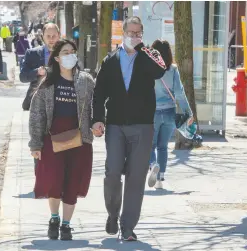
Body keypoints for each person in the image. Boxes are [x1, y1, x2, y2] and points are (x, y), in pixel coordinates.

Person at [92, 16, 166, 241]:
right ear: (122, 33)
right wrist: (97, 119)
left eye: (138, 33)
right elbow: (99, 92)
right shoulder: (111, 59)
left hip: (142, 125)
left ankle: (128, 226)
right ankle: (113, 214)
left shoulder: (149, 56)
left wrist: (143, 48)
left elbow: (161, 70)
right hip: (115, 125)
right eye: (130, 33)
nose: (133, 37)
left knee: (136, 177)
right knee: (113, 173)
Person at [29, 39, 95, 241]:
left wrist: (98, 124)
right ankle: (54, 218)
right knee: (54, 181)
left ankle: (67, 225)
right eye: (65, 52)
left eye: (73, 51)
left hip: (79, 138)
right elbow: (37, 114)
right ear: (57, 58)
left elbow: (96, 107)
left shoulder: (86, 80)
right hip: (53, 137)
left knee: (73, 182)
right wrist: (35, 143)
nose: (70, 55)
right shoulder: (48, 83)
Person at [147, 39, 193, 189]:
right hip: (169, 112)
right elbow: (179, 93)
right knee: (163, 146)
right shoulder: (173, 69)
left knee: (150, 145)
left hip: (152, 112)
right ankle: (160, 179)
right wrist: (188, 112)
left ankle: (153, 165)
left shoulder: (148, 68)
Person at [21, 23, 60, 111]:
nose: (51, 39)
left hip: (59, 102)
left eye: (54, 36)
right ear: (42, 36)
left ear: (59, 36)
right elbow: (22, 77)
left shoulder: (66, 53)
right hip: (37, 103)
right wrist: (37, 72)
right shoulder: (32, 53)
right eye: (48, 36)